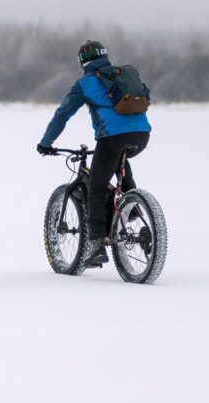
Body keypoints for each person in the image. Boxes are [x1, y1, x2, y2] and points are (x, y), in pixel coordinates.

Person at [37, 40, 151, 268]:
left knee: (96, 187)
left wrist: (46, 143)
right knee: (120, 167)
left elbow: (63, 114)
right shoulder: (122, 76)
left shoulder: (85, 83)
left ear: (82, 62)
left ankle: (96, 245)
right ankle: (134, 213)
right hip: (141, 135)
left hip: (111, 138)